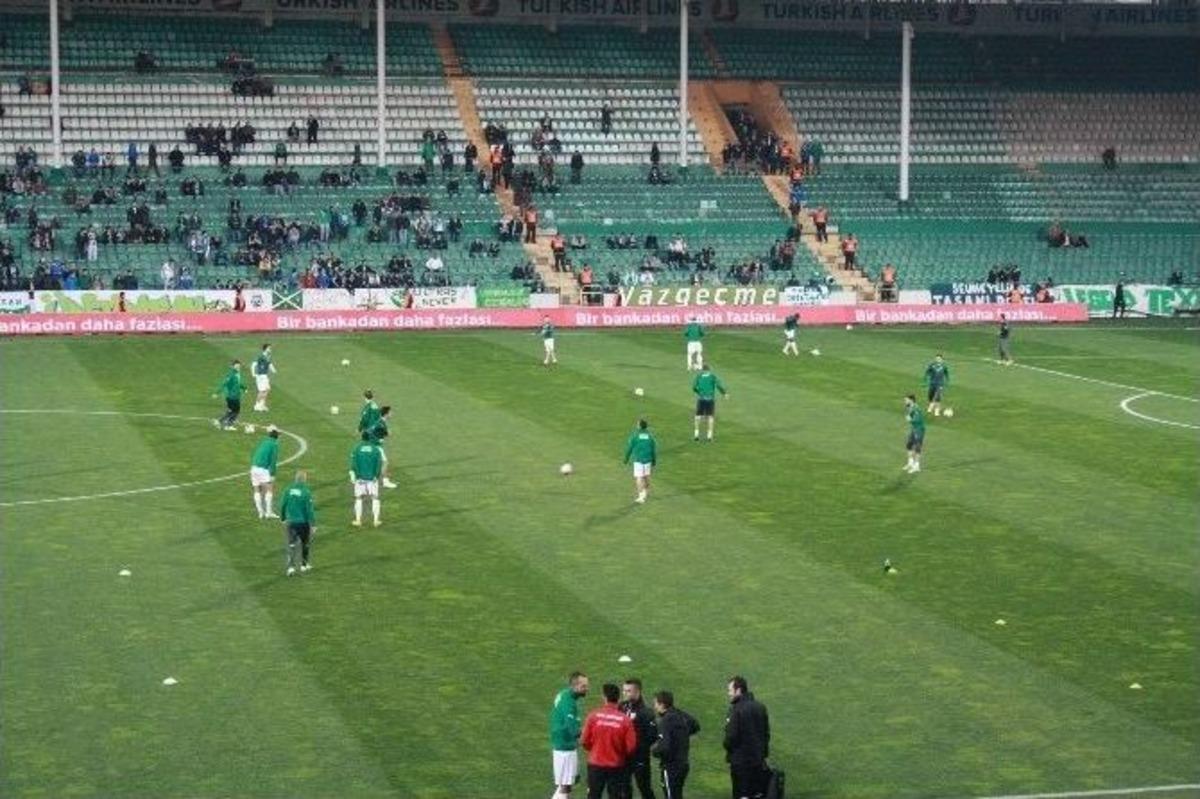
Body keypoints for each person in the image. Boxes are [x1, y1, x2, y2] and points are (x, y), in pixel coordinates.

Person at [581, 683, 637, 799]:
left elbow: (584, 741)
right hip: (616, 766)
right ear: (618, 698)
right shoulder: (625, 720)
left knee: (593, 795)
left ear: (604, 697)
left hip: (595, 764)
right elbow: (631, 747)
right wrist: (620, 754)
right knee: (615, 796)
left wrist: (595, 749)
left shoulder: (593, 716)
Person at [723, 676, 770, 799]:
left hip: (740, 762)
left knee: (742, 794)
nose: (729, 694)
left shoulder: (736, 710)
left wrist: (727, 747)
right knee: (757, 793)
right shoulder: (760, 707)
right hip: (758, 760)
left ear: (738, 690)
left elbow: (731, 737)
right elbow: (766, 734)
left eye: (730, 690)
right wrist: (763, 754)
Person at [652, 690, 700, 799]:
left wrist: (654, 751)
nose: (655, 707)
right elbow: (696, 725)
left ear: (662, 704)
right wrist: (681, 736)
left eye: (656, 704)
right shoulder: (680, 714)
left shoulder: (665, 721)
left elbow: (664, 747)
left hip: (671, 767)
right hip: (683, 765)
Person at [550, 671, 590, 799]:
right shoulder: (569, 703)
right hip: (565, 746)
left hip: (561, 742)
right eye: (583, 686)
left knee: (567, 783)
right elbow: (574, 731)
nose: (586, 688)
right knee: (566, 786)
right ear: (575, 686)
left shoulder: (564, 694)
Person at [620, 679, 659, 799]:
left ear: (638, 692)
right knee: (624, 787)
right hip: (623, 756)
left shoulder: (646, 712)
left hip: (639, 757)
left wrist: (637, 746)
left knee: (644, 787)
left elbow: (652, 736)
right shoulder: (622, 707)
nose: (625, 693)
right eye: (624, 690)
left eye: (628, 691)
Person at [279, 469, 316, 576]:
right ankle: (304, 566)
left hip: (291, 522)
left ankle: (291, 567)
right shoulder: (306, 492)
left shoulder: (288, 490)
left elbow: (283, 505)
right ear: (304, 479)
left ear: (295, 478)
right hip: (303, 523)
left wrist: (283, 518)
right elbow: (309, 510)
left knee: (291, 545)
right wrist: (313, 524)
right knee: (305, 544)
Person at [349, 432, 384, 527]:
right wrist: (376, 476)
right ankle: (376, 520)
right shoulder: (376, 450)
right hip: (372, 478)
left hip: (360, 478)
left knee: (359, 498)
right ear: (370, 438)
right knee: (375, 498)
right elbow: (379, 465)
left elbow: (353, 464)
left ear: (361, 437)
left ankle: (358, 520)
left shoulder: (357, 449)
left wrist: (355, 476)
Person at [249, 426, 281, 520]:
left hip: (254, 467)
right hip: (263, 469)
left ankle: (260, 513)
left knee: (257, 489)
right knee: (269, 490)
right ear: (276, 437)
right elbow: (273, 461)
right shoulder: (274, 445)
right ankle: (269, 512)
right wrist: (272, 474)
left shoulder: (265, 442)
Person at [623, 419, 657, 504]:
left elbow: (629, 449)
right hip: (648, 459)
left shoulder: (635, 436)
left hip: (638, 460)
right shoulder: (650, 437)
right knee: (646, 477)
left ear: (639, 426)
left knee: (639, 478)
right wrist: (654, 461)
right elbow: (653, 450)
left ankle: (641, 497)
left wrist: (626, 459)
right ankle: (645, 493)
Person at [692, 363, 728, 442]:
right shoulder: (712, 377)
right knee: (710, 417)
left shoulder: (699, 376)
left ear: (703, 370)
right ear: (709, 370)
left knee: (698, 417)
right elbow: (719, 386)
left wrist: (699, 392)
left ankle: (696, 435)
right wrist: (724, 393)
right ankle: (709, 436)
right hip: (710, 399)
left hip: (701, 399)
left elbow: (694, 387)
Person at [367, 405, 400, 490]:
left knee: (375, 464)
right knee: (385, 462)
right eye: (390, 412)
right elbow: (369, 431)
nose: (392, 413)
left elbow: (378, 432)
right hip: (376, 446)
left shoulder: (381, 422)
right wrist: (378, 440)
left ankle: (368, 480)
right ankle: (385, 482)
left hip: (374, 445)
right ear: (386, 414)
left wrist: (384, 435)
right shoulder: (380, 423)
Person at [212, 359, 246, 430]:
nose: (238, 367)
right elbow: (224, 383)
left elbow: (238, 383)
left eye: (239, 366)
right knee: (236, 411)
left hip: (234, 395)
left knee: (231, 410)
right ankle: (229, 425)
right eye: (236, 366)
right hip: (232, 396)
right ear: (232, 366)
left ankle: (220, 421)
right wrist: (217, 393)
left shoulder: (237, 374)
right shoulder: (231, 374)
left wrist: (244, 388)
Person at [903, 394, 925, 474]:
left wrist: (910, 420)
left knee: (917, 447)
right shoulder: (910, 407)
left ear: (911, 400)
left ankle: (916, 466)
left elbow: (918, 420)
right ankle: (910, 463)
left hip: (919, 430)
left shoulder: (916, 409)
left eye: (906, 400)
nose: (905, 401)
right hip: (914, 429)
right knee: (909, 445)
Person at [252, 343, 277, 412]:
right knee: (262, 391)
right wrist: (253, 373)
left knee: (268, 389)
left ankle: (262, 404)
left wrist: (273, 370)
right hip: (260, 376)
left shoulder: (268, 356)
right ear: (265, 349)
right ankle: (256, 405)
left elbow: (269, 364)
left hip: (265, 375)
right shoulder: (261, 356)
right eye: (269, 348)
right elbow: (253, 364)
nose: (270, 349)